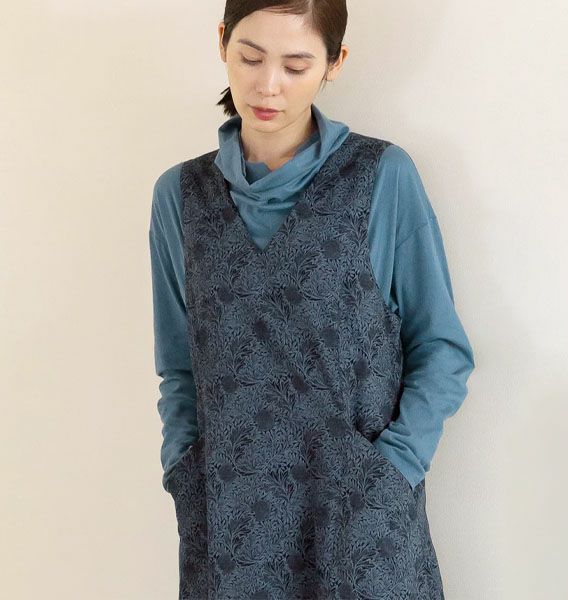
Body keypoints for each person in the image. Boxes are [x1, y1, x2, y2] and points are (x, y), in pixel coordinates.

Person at [149, 2, 475, 598]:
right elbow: (180, 365)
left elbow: (441, 348)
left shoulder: (381, 176)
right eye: (250, 58)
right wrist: (184, 468)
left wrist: (392, 472)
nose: (268, 85)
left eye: (296, 66)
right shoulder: (181, 196)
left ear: (334, 62)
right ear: (222, 42)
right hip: (228, 528)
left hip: (362, 525)